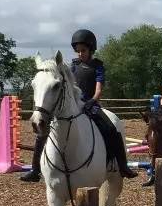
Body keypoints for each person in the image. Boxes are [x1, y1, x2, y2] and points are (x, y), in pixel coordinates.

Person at [22, 28, 135, 182]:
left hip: (90, 104)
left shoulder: (97, 66)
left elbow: (99, 89)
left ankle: (122, 165)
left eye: (83, 50)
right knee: (43, 133)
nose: (80, 53)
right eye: (78, 51)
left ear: (90, 50)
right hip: (73, 103)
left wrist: (92, 101)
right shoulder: (73, 66)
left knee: (111, 128)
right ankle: (35, 169)